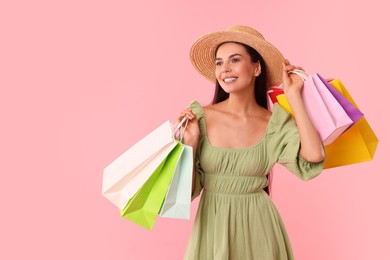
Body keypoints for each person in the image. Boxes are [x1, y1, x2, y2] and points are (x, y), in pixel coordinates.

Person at [177, 25, 325, 260]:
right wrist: (191, 143)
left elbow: (314, 156)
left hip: (261, 231)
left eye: (234, 60)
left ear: (256, 67)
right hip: (211, 231)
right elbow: (182, 194)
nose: (225, 69)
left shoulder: (274, 122)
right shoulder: (199, 118)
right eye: (219, 62)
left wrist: (293, 96)